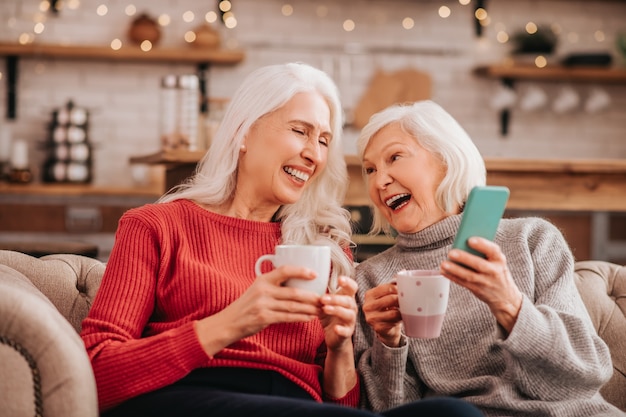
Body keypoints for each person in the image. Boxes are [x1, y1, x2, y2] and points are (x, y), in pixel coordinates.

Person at [80, 64, 483, 417]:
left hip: (299, 407)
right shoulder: (156, 226)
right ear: (244, 131)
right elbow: (94, 372)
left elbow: (341, 404)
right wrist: (233, 321)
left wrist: (340, 347)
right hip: (192, 397)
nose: (314, 154)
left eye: (324, 140)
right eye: (300, 131)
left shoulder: (322, 247)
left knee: (455, 412)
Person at [352, 100, 622, 417]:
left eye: (394, 157)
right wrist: (389, 344)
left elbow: (582, 377)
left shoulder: (531, 240)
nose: (379, 181)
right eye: (370, 169)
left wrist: (510, 305)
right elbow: (392, 411)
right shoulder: (371, 279)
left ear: (446, 159)